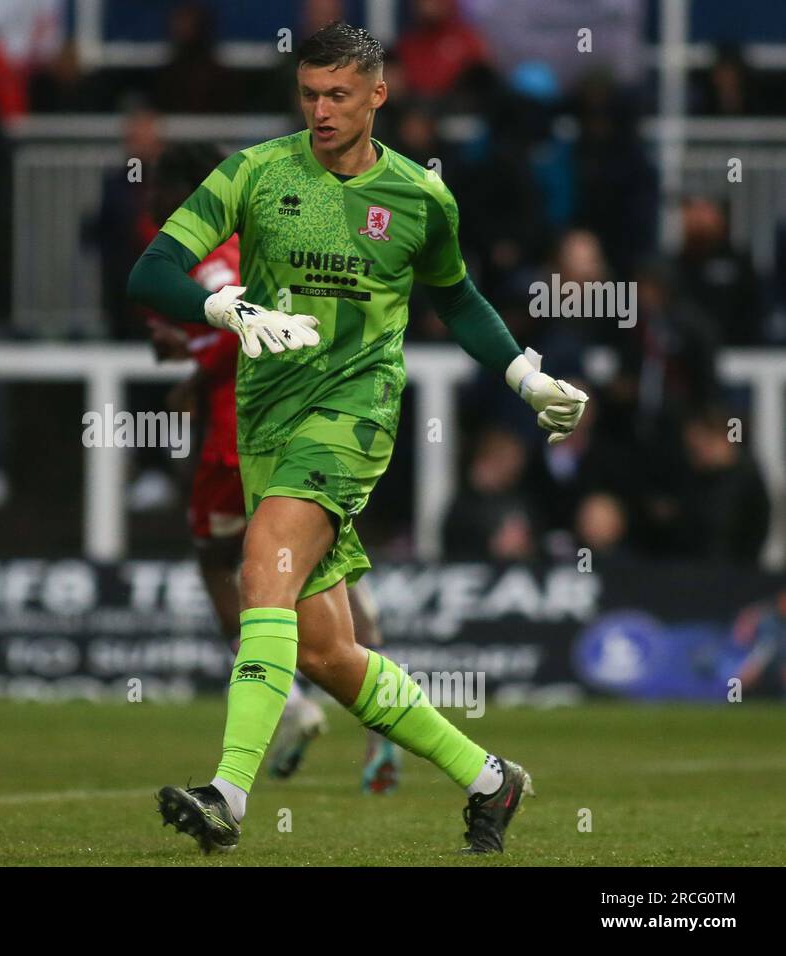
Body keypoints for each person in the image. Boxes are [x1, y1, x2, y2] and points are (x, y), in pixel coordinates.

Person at [128, 23, 587, 855]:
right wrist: (223, 306)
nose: (321, 109)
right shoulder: (256, 172)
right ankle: (491, 780)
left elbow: (460, 300)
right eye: (309, 93)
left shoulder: (420, 197)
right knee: (331, 653)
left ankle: (227, 794)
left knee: (262, 559)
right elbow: (150, 270)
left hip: (354, 415)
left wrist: (525, 375)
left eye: (338, 94)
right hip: (268, 417)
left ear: (378, 94)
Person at [145, 142, 402, 792]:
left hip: (239, 438)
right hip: (310, 429)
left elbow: (229, 328)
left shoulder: (196, 258)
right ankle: (384, 735)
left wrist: (191, 359)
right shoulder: (271, 238)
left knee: (219, 564)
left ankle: (285, 709)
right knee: (328, 572)